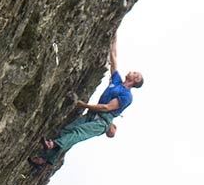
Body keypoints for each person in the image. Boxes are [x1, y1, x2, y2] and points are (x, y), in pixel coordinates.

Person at [29, 34, 143, 169]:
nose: (132, 71)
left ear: (135, 80)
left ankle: (52, 145)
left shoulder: (126, 96)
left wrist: (83, 104)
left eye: (135, 73)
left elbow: (106, 108)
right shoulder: (117, 81)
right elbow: (113, 56)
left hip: (101, 121)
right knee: (67, 130)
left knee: (78, 132)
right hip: (92, 115)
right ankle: (45, 161)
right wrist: (115, 35)